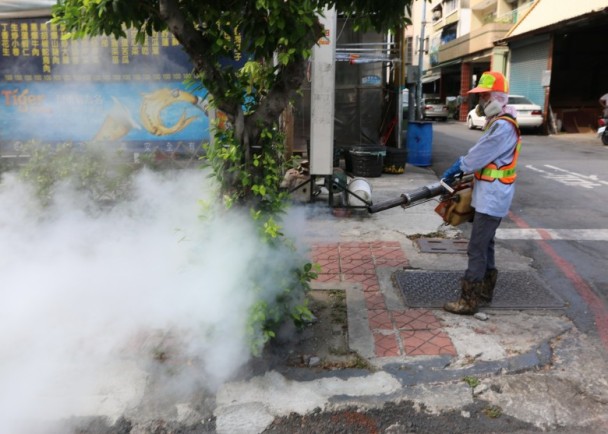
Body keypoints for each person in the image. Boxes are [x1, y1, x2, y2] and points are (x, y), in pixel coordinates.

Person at [441, 71, 521, 315]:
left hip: (492, 197)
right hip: (490, 194)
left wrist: (459, 167)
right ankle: (485, 291)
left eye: (484, 96)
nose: (481, 102)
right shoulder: (498, 122)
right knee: (486, 245)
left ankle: (469, 301)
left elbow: (479, 155)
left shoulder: (503, 127)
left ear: (496, 98)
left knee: (476, 247)